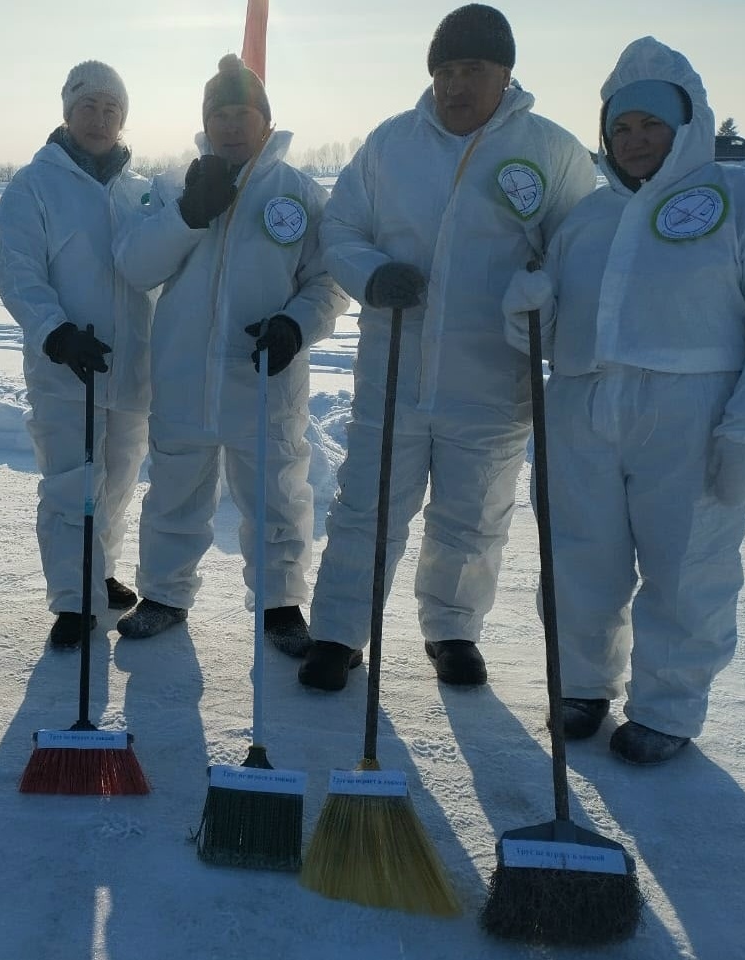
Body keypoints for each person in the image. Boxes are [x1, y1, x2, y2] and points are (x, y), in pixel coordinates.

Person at [303, 4, 597, 691]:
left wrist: (543, 296)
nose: (455, 85)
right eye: (445, 71)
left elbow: (580, 253)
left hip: (493, 376)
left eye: (472, 69)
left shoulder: (552, 151)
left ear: (506, 73)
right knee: (367, 505)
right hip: (395, 365)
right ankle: (339, 632)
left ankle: (453, 629)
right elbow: (340, 228)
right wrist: (373, 273)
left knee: (473, 512)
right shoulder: (391, 144)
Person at [501, 37, 745, 764]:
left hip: (692, 413)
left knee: (688, 567)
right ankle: (581, 684)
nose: (635, 139)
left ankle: (668, 708)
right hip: (583, 408)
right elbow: (550, 334)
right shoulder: (587, 218)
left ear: (688, 124)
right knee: (579, 558)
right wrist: (527, 309)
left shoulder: (743, 201)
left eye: (652, 123)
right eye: (621, 127)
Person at [114, 54, 347, 652]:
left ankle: (280, 603)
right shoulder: (175, 186)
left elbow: (328, 281)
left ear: (266, 120)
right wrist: (190, 214)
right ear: (206, 122)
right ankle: (164, 594)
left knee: (278, 496)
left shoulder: (299, 194)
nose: (231, 124)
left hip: (263, 376)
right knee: (174, 491)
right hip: (183, 377)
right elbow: (135, 266)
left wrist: (295, 325)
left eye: (243, 112)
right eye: (219, 114)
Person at [0, 61, 153, 648]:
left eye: (112, 109)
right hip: (66, 367)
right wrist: (56, 333)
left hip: (129, 367)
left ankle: (98, 572)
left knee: (116, 482)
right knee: (71, 483)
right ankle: (72, 599)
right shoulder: (33, 185)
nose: (100, 119)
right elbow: (19, 273)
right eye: (89, 106)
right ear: (67, 113)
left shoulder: (141, 191)